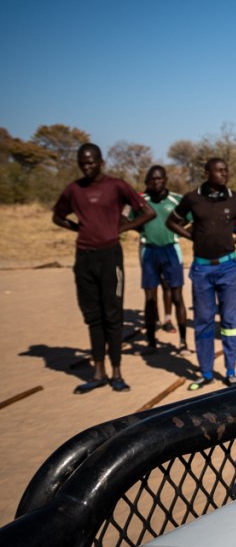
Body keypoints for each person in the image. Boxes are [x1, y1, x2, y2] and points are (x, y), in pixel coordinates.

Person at [53, 144, 155, 393]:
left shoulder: (116, 186)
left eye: (91, 162)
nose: (87, 167)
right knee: (93, 316)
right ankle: (98, 372)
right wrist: (77, 229)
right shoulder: (74, 189)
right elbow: (58, 216)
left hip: (110, 257)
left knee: (113, 315)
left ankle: (117, 373)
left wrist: (121, 228)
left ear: (101, 161)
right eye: (82, 163)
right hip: (84, 258)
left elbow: (148, 212)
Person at [167, 158, 236, 389]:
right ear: (206, 172)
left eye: (226, 170)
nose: (224, 174)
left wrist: (235, 239)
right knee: (203, 321)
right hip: (201, 269)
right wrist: (192, 237)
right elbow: (172, 222)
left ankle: (230, 372)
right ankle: (206, 372)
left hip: (228, 268)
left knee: (229, 322)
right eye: (219, 170)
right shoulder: (192, 198)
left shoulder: (235, 199)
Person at [133, 165, 188, 353]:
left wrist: (179, 230)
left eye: (159, 178)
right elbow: (129, 220)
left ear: (165, 179)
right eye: (152, 179)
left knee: (177, 296)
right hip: (148, 250)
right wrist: (142, 230)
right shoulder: (140, 201)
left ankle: (183, 341)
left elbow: (190, 217)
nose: (156, 182)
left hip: (171, 250)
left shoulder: (177, 199)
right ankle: (151, 342)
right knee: (149, 298)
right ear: (147, 181)